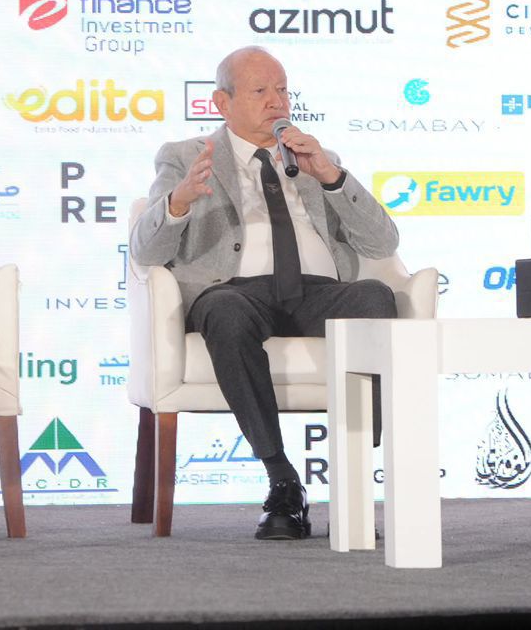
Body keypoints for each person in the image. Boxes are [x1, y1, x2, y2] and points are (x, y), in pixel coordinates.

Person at [129, 46, 401, 540]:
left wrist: (331, 177)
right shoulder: (184, 157)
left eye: (282, 90)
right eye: (260, 91)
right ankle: (282, 480)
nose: (277, 101)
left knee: (375, 298)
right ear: (222, 102)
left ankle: (355, 479)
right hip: (235, 293)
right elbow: (146, 251)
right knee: (224, 312)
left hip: (317, 293)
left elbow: (382, 243)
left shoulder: (316, 157)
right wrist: (179, 201)